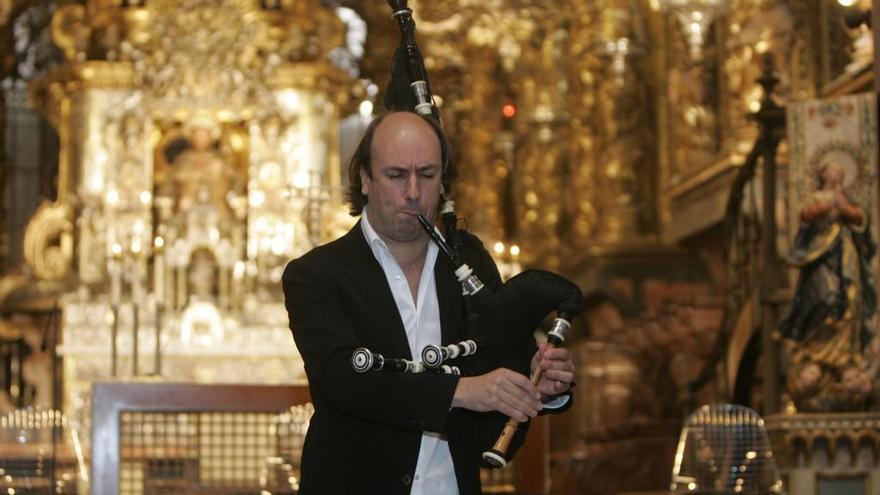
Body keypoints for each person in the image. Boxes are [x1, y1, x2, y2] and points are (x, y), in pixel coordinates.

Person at [282, 111, 576, 494]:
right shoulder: (317, 273)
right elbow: (346, 382)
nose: (413, 192)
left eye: (426, 174)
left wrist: (539, 384)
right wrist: (464, 390)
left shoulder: (470, 261)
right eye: (395, 175)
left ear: (443, 183)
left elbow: (498, 374)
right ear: (365, 180)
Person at [780, 161, 877, 411]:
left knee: (849, 302)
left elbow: (861, 220)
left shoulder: (847, 198)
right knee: (827, 297)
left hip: (845, 257)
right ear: (823, 174)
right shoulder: (816, 196)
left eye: (840, 170)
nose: (837, 174)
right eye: (832, 170)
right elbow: (805, 217)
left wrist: (844, 207)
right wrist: (825, 207)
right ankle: (817, 354)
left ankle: (845, 359)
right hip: (820, 257)